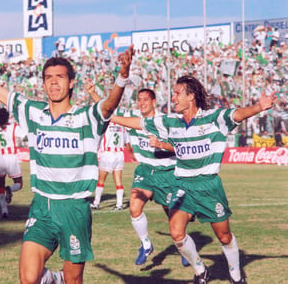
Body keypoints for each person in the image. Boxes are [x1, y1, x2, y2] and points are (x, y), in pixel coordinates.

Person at [0, 35, 133, 284]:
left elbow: (109, 105)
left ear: (71, 83)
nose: (53, 82)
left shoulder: (86, 117)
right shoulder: (33, 112)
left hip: (74, 208)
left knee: (74, 280)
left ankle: (61, 279)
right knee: (28, 279)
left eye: (59, 77)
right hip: (42, 206)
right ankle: (54, 279)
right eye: (48, 78)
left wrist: (122, 77)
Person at [114, 75, 275, 283]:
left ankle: (236, 276)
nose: (173, 98)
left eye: (177, 93)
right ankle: (201, 272)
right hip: (183, 185)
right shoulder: (171, 122)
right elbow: (138, 122)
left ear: (191, 96)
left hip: (208, 185)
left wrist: (258, 107)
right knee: (176, 232)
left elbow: (237, 114)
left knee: (224, 236)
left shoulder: (213, 118)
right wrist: (106, 115)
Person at [111, 89, 189, 267]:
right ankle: (146, 245)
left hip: (167, 173)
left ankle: (183, 245)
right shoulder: (133, 116)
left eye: (145, 100)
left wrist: (161, 144)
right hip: (145, 172)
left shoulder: (166, 121)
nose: (142, 103)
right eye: (139, 100)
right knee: (134, 206)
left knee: (173, 217)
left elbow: (181, 148)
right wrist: (93, 93)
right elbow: (108, 109)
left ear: (154, 102)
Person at [90, 120, 133, 211]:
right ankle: (119, 204)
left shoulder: (104, 126)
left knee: (101, 180)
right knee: (118, 181)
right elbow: (128, 144)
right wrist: (132, 154)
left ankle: (96, 203)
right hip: (119, 154)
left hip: (108, 154)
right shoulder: (122, 127)